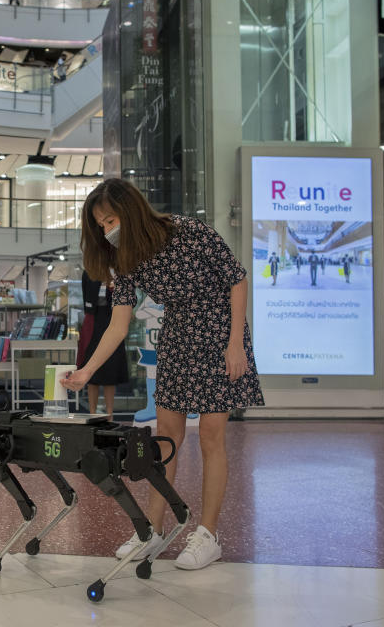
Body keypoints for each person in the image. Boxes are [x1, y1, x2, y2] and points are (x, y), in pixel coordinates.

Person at [63, 179, 263, 570]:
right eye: (100, 226)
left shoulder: (188, 231)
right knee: (166, 437)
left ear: (131, 209)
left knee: (211, 436)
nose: (107, 230)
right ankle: (152, 531)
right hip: (177, 337)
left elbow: (236, 279)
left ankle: (207, 534)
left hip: (219, 332)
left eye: (110, 220)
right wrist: (86, 370)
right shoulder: (125, 259)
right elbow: (118, 326)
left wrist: (236, 342)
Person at [78, 271, 128, 420]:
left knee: (110, 371)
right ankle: (92, 412)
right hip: (94, 321)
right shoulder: (89, 272)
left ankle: (110, 414)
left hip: (113, 319)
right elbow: (86, 296)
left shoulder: (117, 272)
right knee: (91, 371)